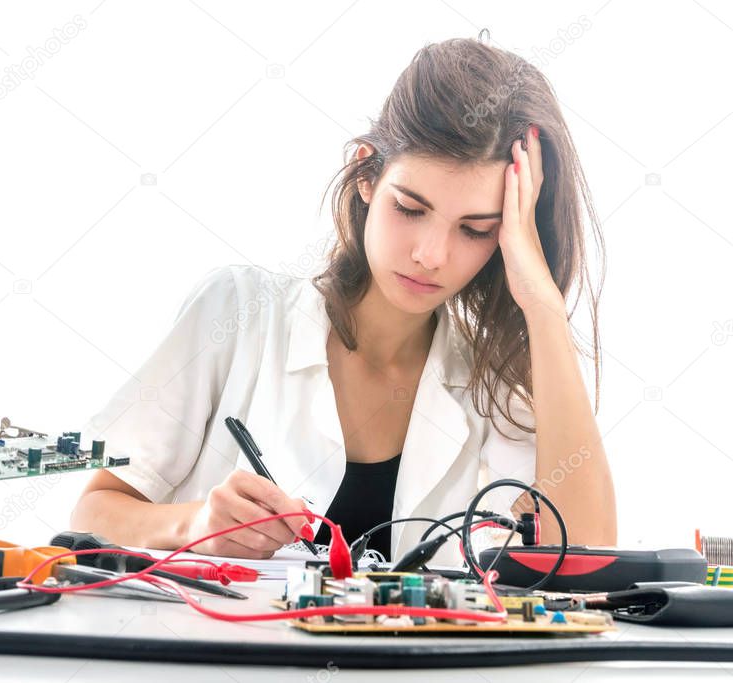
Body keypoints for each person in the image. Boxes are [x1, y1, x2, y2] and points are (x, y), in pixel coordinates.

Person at [71, 37, 617, 564]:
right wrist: (194, 526)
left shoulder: (488, 383)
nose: (431, 254)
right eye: (409, 208)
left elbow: (589, 555)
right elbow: (92, 513)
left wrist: (542, 305)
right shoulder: (236, 313)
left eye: (475, 230)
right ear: (365, 174)